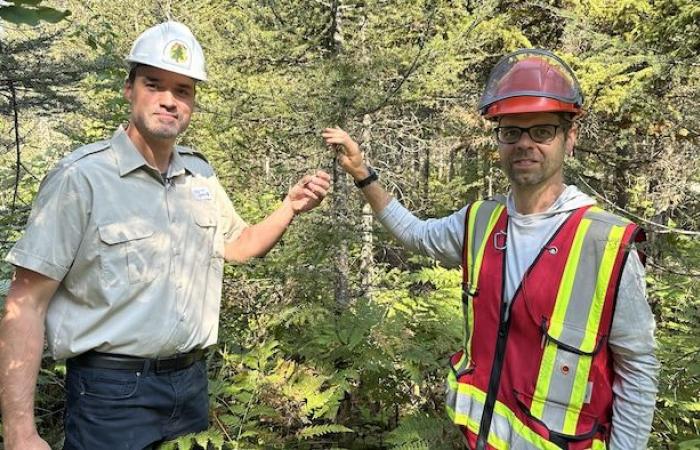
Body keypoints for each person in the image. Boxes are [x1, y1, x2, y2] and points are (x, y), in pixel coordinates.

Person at [0, 21, 330, 450]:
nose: (169, 101)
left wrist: (289, 207)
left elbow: (239, 245)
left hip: (190, 387)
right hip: (110, 393)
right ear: (129, 88)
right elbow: (26, 302)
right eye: (154, 84)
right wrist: (20, 431)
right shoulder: (81, 179)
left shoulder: (200, 176)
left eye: (183, 90)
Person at [323, 48, 658, 449]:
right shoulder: (480, 222)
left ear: (570, 138)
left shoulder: (606, 244)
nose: (524, 144)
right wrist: (363, 173)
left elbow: (637, 370)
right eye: (511, 131)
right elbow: (414, 233)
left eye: (542, 131)